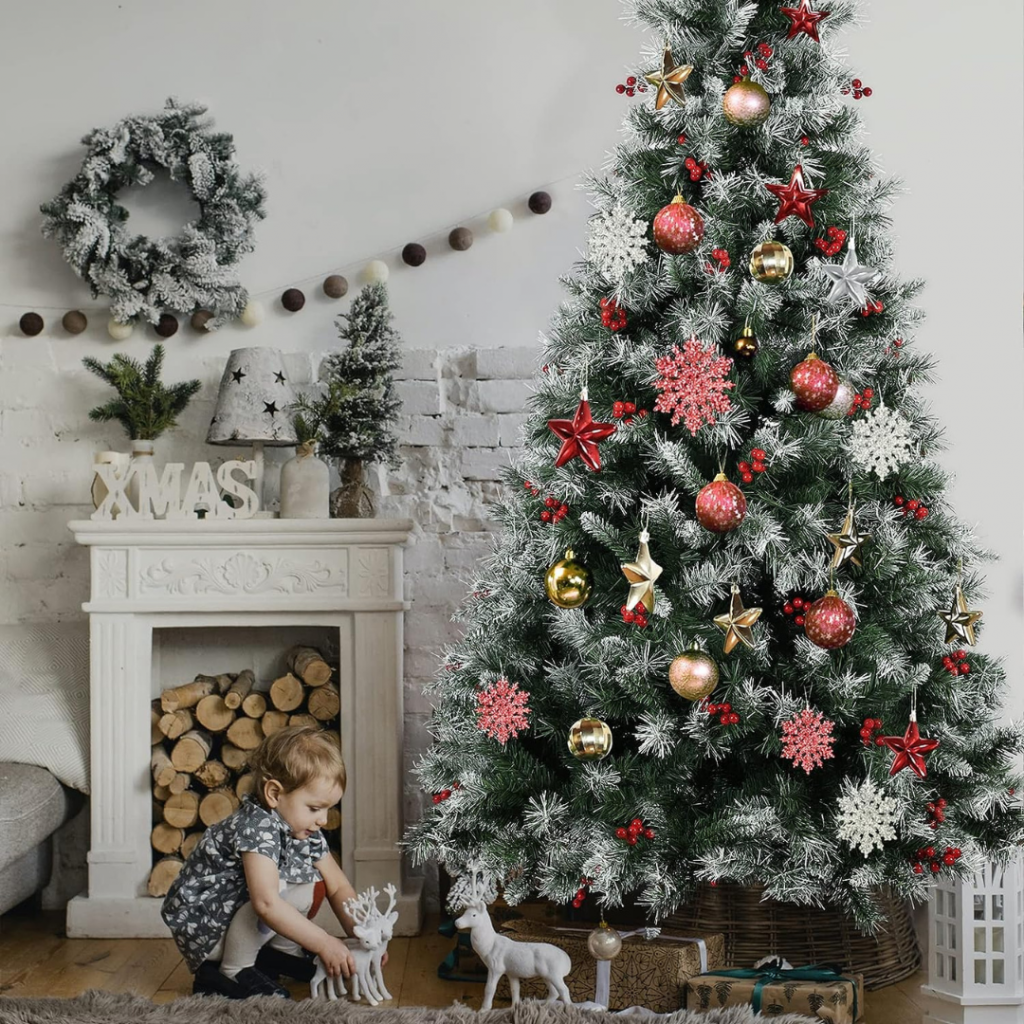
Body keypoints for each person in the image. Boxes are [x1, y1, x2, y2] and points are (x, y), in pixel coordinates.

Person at [162, 724, 374, 998]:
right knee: (281, 894)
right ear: (274, 794)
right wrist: (323, 942)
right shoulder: (256, 828)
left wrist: (363, 935)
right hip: (205, 924)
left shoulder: (304, 829)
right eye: (314, 808)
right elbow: (266, 904)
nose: (323, 819)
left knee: (311, 885)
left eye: (328, 809)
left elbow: (338, 886)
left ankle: (282, 953)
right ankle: (233, 969)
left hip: (235, 914)